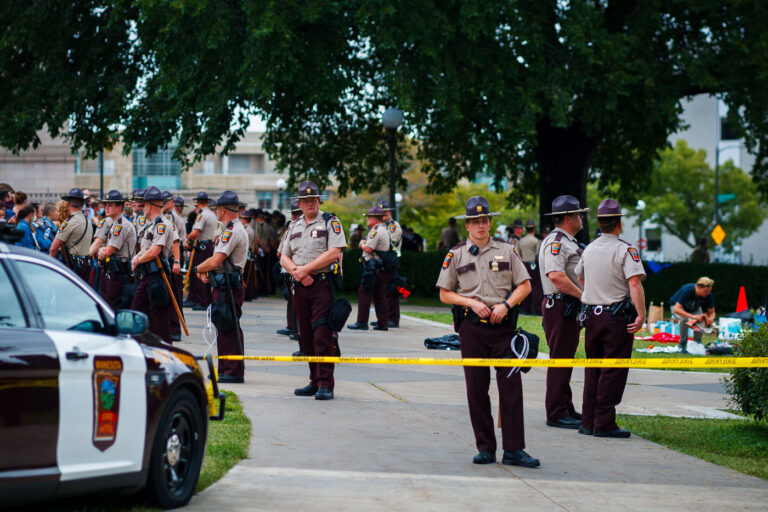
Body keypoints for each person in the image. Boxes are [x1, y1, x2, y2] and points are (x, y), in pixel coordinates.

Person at [436, 196, 539, 468]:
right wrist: (470, 302)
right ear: (467, 226)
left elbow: (525, 285)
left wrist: (506, 305)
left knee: (512, 388)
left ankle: (515, 450)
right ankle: (485, 447)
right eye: (475, 222)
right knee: (476, 390)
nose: (481, 226)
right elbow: (445, 294)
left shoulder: (508, 251)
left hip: (503, 328)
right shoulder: (456, 255)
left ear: (490, 223)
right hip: (471, 329)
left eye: (485, 220)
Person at [575, 198, 646, 438]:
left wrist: (595, 292)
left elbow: (581, 279)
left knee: (593, 368)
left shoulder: (589, 248)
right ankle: (604, 423)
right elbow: (634, 283)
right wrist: (642, 313)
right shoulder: (625, 250)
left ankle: (587, 420)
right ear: (619, 224)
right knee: (612, 370)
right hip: (616, 318)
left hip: (592, 316)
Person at [280, 181, 346, 400]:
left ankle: (326, 384)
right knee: (305, 335)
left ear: (319, 201)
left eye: (313, 199)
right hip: (299, 285)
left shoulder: (330, 221)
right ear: (299, 203)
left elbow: (334, 252)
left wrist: (305, 270)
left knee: (322, 334)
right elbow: (283, 256)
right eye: (305, 200)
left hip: (321, 284)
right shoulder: (294, 225)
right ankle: (314, 380)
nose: (309, 203)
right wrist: (298, 272)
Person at [539, 196, 588, 429]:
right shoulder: (556, 242)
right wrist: (582, 296)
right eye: (579, 214)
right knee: (560, 359)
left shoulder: (566, 240)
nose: (582, 217)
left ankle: (565, 407)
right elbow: (556, 276)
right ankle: (556, 412)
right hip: (560, 306)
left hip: (566, 307)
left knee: (565, 358)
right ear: (568, 217)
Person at [195, 191, 249, 383]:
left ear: (224, 210)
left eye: (217, 208)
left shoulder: (232, 231)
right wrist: (208, 272)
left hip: (228, 286)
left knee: (228, 326)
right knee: (224, 326)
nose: (216, 211)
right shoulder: (232, 229)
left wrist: (198, 268)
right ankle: (227, 367)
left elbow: (216, 259)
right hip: (224, 283)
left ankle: (233, 370)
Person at [130, 186, 176, 343]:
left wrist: (137, 260)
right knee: (137, 313)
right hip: (147, 276)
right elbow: (145, 249)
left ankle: (164, 353)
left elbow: (154, 251)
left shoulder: (162, 224)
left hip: (158, 276)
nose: (142, 208)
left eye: (143, 205)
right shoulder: (151, 224)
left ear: (150, 206)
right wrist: (137, 256)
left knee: (159, 320)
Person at [347, 206, 392, 331]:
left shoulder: (375, 230)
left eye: (369, 217)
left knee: (364, 293)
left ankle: (362, 322)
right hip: (379, 268)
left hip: (372, 268)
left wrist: (362, 243)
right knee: (379, 295)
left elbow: (368, 248)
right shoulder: (383, 229)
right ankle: (383, 323)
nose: (367, 219)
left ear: (375, 219)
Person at [96, 190, 137, 310]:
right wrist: (102, 252)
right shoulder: (115, 224)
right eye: (106, 205)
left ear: (119, 208)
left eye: (110, 205)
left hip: (119, 272)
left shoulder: (120, 225)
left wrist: (101, 254)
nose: (106, 208)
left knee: (114, 305)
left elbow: (109, 251)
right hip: (113, 269)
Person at [49, 188, 93, 281]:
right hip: (85, 264)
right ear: (82, 204)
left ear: (68, 204)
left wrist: (50, 267)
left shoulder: (69, 222)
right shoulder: (87, 221)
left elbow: (53, 248)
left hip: (72, 265)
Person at [185, 191, 217, 310]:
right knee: (201, 272)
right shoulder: (212, 214)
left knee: (199, 272)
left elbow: (195, 232)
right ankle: (195, 298)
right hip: (208, 245)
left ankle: (202, 301)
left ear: (197, 203)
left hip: (202, 246)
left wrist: (186, 238)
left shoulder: (202, 215)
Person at [276, 200, 302, 339]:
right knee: (295, 300)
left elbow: (279, 253)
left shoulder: (292, 228)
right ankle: (295, 327)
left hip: (292, 269)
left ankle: (295, 328)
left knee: (296, 300)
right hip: (300, 268)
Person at [670, 277, 716, 352]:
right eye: (706, 291)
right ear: (698, 287)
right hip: (677, 306)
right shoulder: (688, 290)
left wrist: (710, 319)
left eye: (709, 291)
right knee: (684, 319)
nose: (708, 293)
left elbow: (712, 312)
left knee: (701, 319)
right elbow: (677, 309)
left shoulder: (708, 294)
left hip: (694, 308)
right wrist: (693, 316)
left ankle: (698, 343)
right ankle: (682, 345)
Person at [163, 191, 184, 341]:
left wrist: (176, 261)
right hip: (166, 257)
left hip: (172, 256)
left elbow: (176, 241)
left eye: (166, 201)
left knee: (174, 295)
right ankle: (170, 327)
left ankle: (175, 328)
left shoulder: (171, 218)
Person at [379, 200, 402, 328]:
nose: (383, 214)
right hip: (384, 261)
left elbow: (389, 242)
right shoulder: (382, 226)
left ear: (389, 212)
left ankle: (393, 318)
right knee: (383, 290)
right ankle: (385, 317)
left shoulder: (393, 226)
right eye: (381, 212)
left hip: (391, 261)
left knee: (391, 290)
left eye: (385, 212)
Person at [518, 220, 543, 315]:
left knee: (525, 286)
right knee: (536, 287)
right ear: (534, 229)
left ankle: (526, 309)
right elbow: (538, 254)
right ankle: (536, 309)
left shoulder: (521, 241)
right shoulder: (536, 241)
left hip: (524, 264)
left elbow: (519, 255)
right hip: (533, 265)